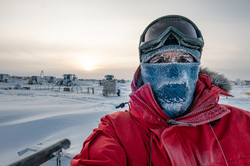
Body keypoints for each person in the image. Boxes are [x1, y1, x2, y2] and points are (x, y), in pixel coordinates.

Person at [71, 15, 250, 166]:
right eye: (159, 61)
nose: (173, 72)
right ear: (144, 69)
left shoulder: (243, 125)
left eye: (183, 60)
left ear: (196, 69)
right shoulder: (116, 131)